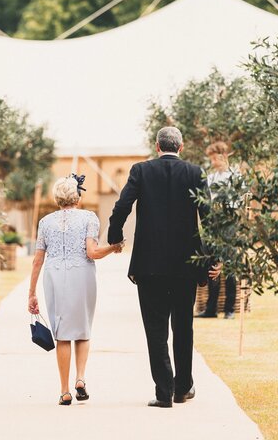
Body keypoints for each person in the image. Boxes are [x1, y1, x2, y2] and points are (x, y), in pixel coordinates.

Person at [107, 126, 221, 407]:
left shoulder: (141, 170)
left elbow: (122, 206)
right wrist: (215, 257)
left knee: (155, 329)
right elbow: (209, 217)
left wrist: (115, 236)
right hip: (186, 264)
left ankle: (163, 392)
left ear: (157, 146)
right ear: (180, 147)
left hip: (149, 264)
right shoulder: (195, 172)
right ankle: (182, 388)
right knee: (184, 326)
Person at [27, 174, 122, 406]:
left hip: (54, 276)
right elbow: (92, 252)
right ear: (77, 197)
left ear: (57, 198)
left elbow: (37, 260)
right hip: (82, 275)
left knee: (62, 334)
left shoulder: (45, 222)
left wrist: (31, 292)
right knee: (82, 329)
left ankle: (64, 390)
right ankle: (80, 377)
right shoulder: (89, 218)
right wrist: (114, 247)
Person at [198, 141, 237, 320]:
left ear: (224, 156)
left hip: (229, 225)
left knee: (228, 266)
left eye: (215, 158)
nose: (213, 162)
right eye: (211, 159)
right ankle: (210, 309)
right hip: (212, 226)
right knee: (212, 265)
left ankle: (229, 309)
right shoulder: (210, 178)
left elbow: (238, 204)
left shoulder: (235, 176)